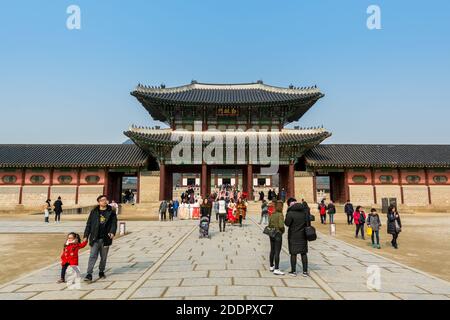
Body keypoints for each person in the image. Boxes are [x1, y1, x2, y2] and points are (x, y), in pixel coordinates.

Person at [83, 195, 117, 282]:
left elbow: (114, 223)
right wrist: (86, 236)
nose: (104, 201)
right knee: (92, 256)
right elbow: (89, 224)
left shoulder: (111, 211)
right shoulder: (94, 211)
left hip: (106, 238)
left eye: (106, 200)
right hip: (95, 237)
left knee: (103, 257)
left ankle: (101, 271)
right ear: (99, 202)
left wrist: (112, 232)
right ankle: (89, 274)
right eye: (102, 200)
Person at [285, 198, 310, 277]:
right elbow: (307, 222)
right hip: (303, 235)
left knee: (293, 253)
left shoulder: (290, 213)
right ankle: (305, 271)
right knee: (303, 253)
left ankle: (293, 271)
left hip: (293, 235)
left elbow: (287, 223)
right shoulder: (304, 212)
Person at [268, 201, 285, 275]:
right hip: (278, 233)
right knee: (277, 251)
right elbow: (281, 225)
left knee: (272, 250)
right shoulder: (280, 215)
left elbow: (269, 224)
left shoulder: (272, 214)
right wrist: (283, 230)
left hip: (272, 233)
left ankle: (271, 266)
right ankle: (277, 268)